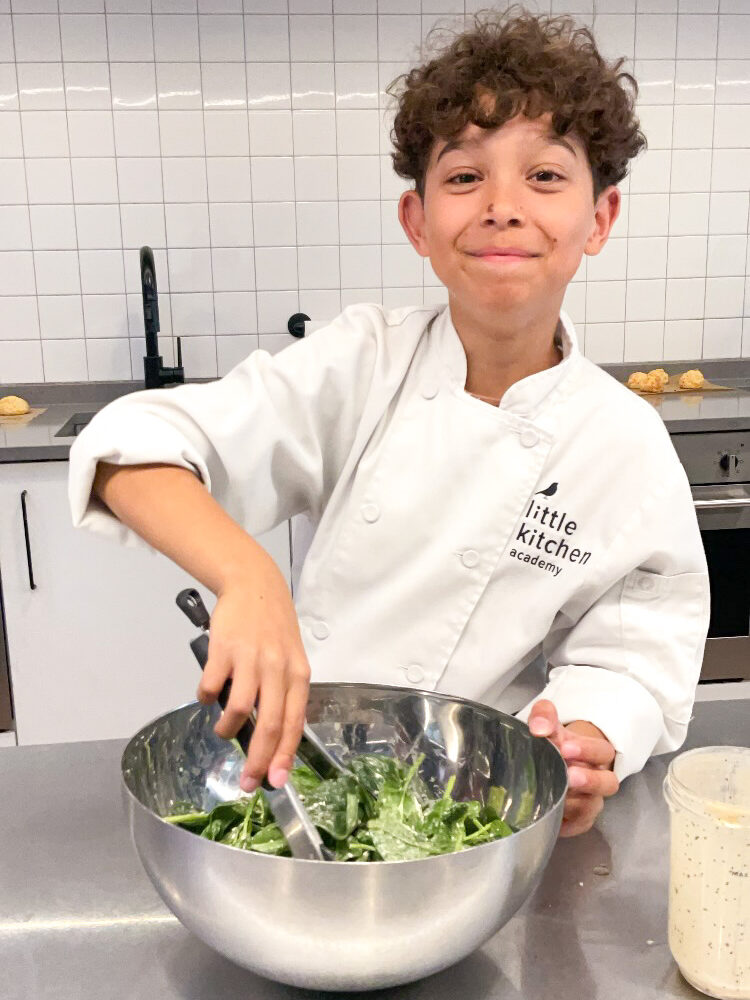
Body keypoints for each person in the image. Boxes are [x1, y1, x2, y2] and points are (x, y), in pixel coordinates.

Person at [68, 5, 710, 838]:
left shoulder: (624, 442)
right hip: (301, 781)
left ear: (600, 219)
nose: (503, 206)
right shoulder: (362, 362)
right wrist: (248, 577)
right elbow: (130, 450)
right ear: (419, 223)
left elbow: (635, 650)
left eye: (545, 177)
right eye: (464, 177)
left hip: (479, 814)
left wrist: (586, 740)